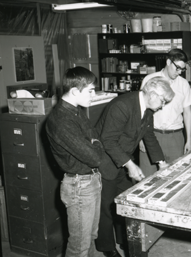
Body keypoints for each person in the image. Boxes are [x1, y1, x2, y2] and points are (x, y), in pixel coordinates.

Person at [95, 76, 174, 257]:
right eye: (162, 101)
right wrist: (130, 164)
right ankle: (107, 248)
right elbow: (108, 141)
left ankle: (126, 241)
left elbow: (149, 136)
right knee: (106, 209)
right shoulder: (122, 106)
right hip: (105, 162)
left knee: (128, 203)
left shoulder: (147, 110)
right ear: (152, 95)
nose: (162, 106)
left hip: (122, 160)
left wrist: (161, 163)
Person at [46, 67, 111, 257]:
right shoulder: (61, 120)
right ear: (75, 91)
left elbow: (95, 137)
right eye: (90, 91)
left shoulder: (76, 111)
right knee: (79, 246)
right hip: (79, 186)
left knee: (90, 236)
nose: (94, 95)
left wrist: (93, 143)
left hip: (90, 181)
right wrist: (94, 145)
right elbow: (96, 156)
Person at [139, 48, 191, 177]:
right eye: (177, 68)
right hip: (151, 136)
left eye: (182, 69)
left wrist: (189, 139)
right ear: (169, 62)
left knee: (174, 178)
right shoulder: (150, 79)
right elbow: (141, 110)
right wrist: (140, 138)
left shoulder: (183, 84)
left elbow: (187, 113)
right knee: (147, 179)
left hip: (175, 138)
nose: (179, 72)